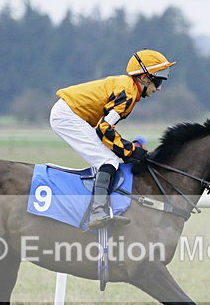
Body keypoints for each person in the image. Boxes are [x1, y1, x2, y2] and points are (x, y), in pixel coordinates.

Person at [50, 49, 176, 229]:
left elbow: (105, 130)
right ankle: (98, 212)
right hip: (67, 115)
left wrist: (128, 150)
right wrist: (131, 150)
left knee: (110, 158)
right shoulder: (128, 93)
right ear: (143, 78)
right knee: (107, 160)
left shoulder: (129, 90)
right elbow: (104, 129)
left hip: (72, 114)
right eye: (158, 80)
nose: (159, 87)